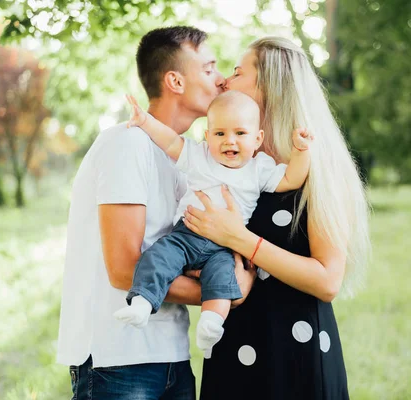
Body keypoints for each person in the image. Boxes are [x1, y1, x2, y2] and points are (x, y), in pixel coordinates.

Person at [56, 26, 255, 400]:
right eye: (209, 67)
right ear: (175, 81)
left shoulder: (193, 161)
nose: (222, 79)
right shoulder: (127, 143)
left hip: (172, 356)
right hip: (118, 359)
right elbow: (124, 270)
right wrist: (225, 293)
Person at [182, 37, 371, 400]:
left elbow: (328, 280)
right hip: (235, 345)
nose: (223, 81)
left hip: (294, 356)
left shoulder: (314, 168)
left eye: (237, 73)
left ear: (269, 85)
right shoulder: (238, 165)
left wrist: (241, 240)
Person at [114, 90, 313, 358]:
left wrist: (301, 151)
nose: (229, 141)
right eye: (219, 134)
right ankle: (141, 304)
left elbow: (291, 179)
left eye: (240, 134)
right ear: (207, 137)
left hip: (224, 246)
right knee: (157, 257)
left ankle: (211, 323)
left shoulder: (259, 169)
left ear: (258, 139)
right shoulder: (200, 156)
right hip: (186, 235)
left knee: (221, 278)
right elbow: (171, 142)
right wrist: (145, 121)